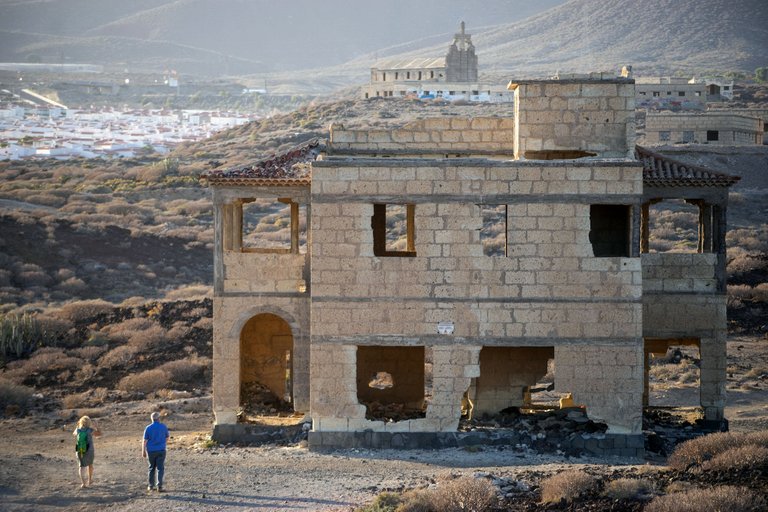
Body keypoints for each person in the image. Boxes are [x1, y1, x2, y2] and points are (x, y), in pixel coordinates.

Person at [142, 411, 170, 492]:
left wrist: (143, 451)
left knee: (151, 468)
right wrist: (163, 444)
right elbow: (167, 437)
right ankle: (159, 486)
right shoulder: (163, 427)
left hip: (151, 451)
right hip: (161, 450)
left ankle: (151, 486)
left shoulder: (148, 428)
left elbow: (145, 441)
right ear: (159, 418)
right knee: (160, 468)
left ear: (152, 419)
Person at [72, 415, 101, 489]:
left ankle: (83, 483)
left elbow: (74, 434)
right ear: (89, 422)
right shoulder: (90, 430)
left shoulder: (78, 429)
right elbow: (99, 434)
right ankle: (90, 480)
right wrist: (97, 427)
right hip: (89, 450)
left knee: (81, 466)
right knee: (90, 465)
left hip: (79, 449)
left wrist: (78, 426)